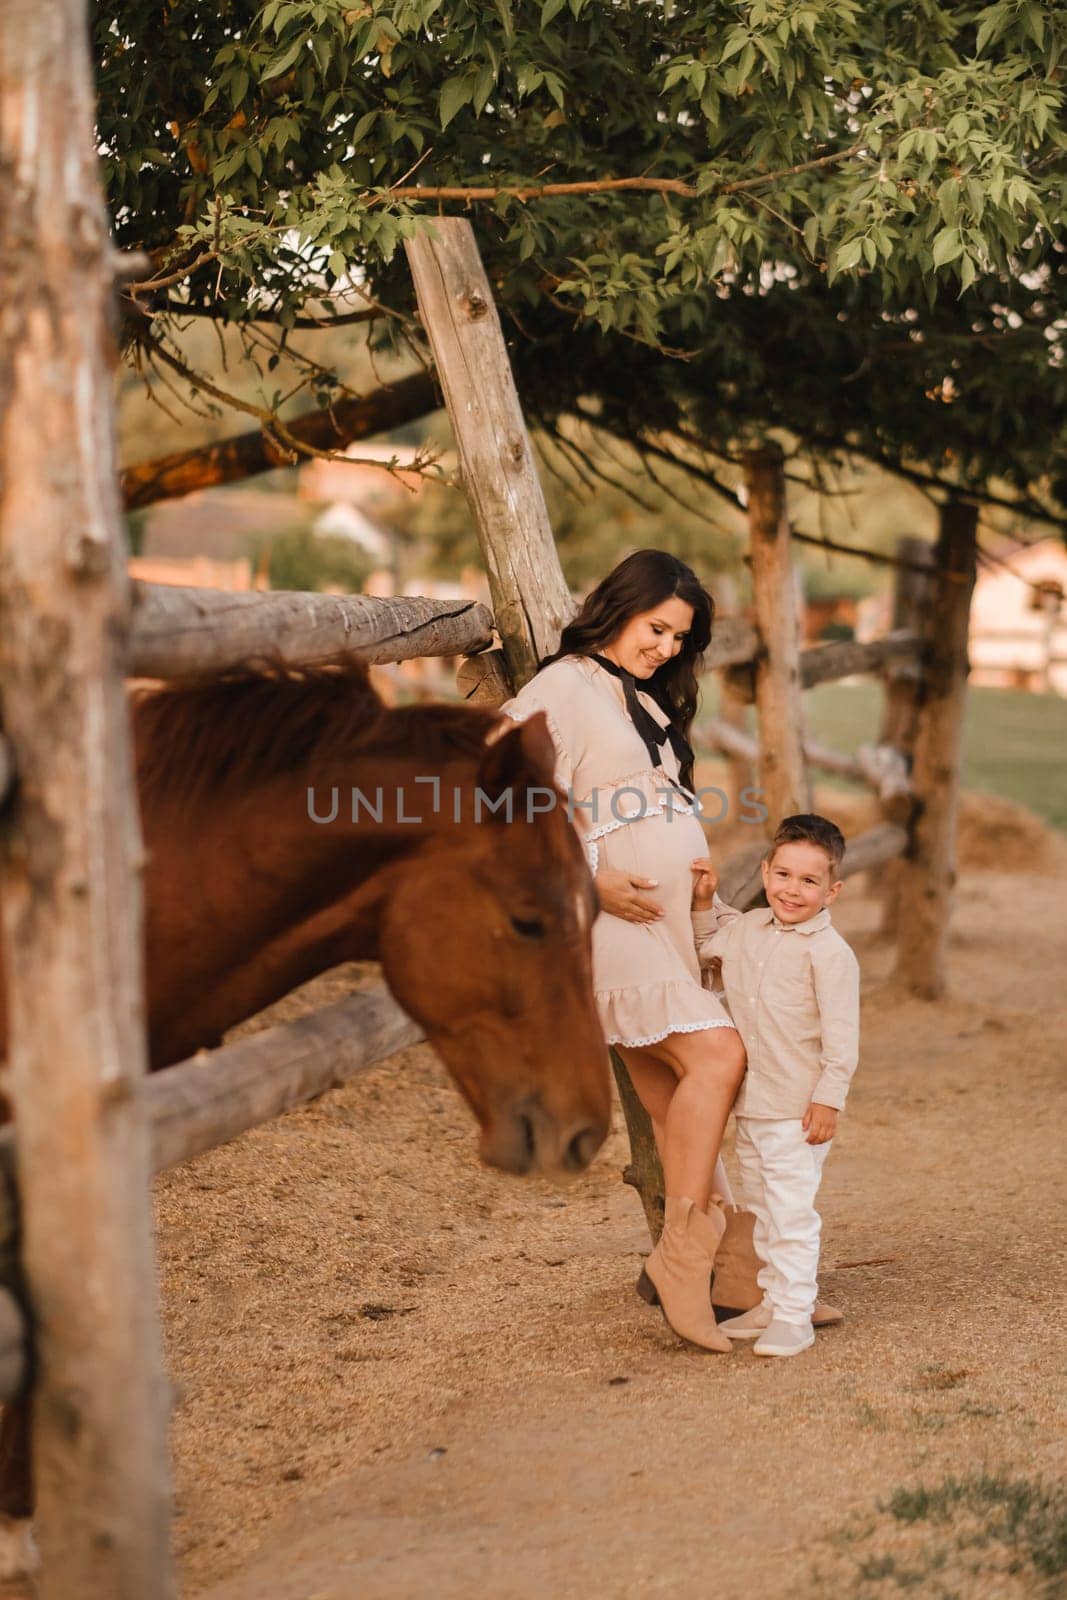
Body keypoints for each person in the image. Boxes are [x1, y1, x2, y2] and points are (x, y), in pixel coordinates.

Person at [499, 550, 746, 1354]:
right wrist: (589, 878)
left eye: (679, 636)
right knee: (717, 1056)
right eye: (657, 627)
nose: (667, 647)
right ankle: (683, 1254)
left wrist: (697, 892)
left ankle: (738, 1274)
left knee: (676, 1097)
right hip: (605, 920)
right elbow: (498, 782)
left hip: (668, 922)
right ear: (619, 609)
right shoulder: (564, 686)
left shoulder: (643, 698)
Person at [689, 814, 860, 1358]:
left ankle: (794, 1315)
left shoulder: (830, 955)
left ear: (832, 891)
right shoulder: (748, 930)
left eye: (809, 881)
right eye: (783, 874)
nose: (792, 889)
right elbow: (705, 944)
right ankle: (770, 1300)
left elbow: (842, 1041)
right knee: (762, 1210)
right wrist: (702, 901)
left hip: (798, 1111)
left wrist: (828, 1100)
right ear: (765, 871)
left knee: (790, 1214)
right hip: (753, 1106)